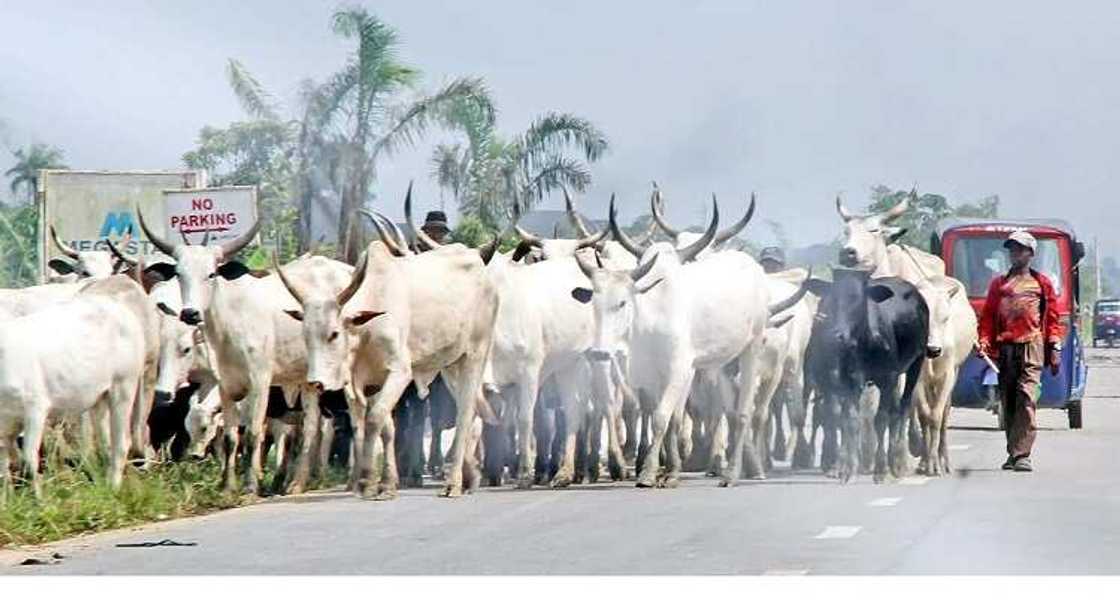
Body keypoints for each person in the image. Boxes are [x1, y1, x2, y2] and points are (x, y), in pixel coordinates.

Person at [977, 230, 1063, 473]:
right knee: (1010, 401)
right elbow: (988, 317)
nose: (1015, 253)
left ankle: (1023, 454)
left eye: (1020, 249)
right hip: (1006, 347)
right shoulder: (999, 284)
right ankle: (1012, 452)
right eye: (1012, 249)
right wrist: (984, 340)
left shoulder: (1042, 283)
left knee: (1027, 396)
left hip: (1032, 346)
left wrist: (1054, 346)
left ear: (1030, 253)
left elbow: (1054, 318)